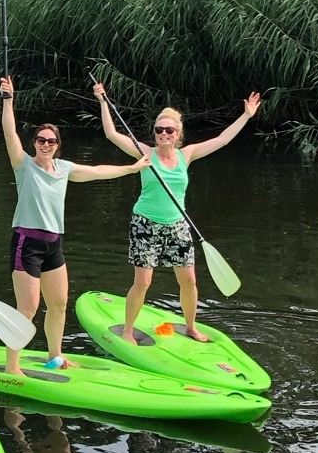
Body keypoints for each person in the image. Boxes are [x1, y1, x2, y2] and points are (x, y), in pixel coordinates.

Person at [0, 75, 146, 375]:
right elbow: (9, 132)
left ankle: (55, 356)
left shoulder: (64, 169)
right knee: (27, 308)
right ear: (35, 144)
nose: (45, 145)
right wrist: (8, 100)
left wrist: (132, 168)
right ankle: (12, 365)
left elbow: (97, 171)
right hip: (27, 243)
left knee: (59, 304)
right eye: (40, 140)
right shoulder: (24, 165)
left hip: (54, 244)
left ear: (57, 146)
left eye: (51, 141)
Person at [95, 83, 260, 343]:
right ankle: (127, 331)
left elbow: (223, 140)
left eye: (168, 129)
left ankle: (192, 327)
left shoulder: (187, 155)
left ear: (178, 132)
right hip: (145, 224)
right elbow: (112, 134)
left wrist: (246, 116)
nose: (163, 133)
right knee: (143, 282)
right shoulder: (144, 153)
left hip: (178, 226)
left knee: (189, 282)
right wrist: (103, 101)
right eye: (159, 129)